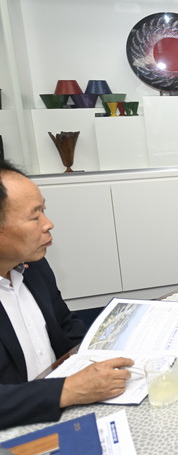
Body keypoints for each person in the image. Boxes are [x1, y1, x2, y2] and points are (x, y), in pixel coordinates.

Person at [0, 160, 133, 429]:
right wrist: (68, 389)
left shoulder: (34, 266)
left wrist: (102, 355)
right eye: (35, 217)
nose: (48, 224)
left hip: (65, 413)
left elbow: (65, 326)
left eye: (44, 211)